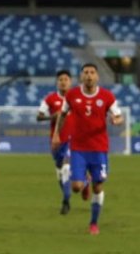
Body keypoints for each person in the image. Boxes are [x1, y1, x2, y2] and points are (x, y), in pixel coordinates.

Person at [52, 63, 123, 235]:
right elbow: (62, 116)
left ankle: (93, 223)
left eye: (92, 72)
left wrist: (116, 120)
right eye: (86, 73)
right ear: (81, 76)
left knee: (98, 188)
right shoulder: (72, 95)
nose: (89, 75)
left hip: (99, 149)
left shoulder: (107, 96)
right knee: (76, 187)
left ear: (97, 77)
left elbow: (119, 116)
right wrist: (56, 135)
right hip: (78, 148)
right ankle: (85, 184)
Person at [37, 70, 73, 215]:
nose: (63, 82)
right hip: (57, 140)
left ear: (70, 82)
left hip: (74, 140)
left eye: (66, 79)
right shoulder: (50, 99)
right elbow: (39, 117)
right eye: (60, 80)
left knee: (66, 167)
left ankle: (66, 200)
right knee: (60, 172)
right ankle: (67, 197)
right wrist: (52, 116)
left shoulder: (76, 98)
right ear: (57, 82)